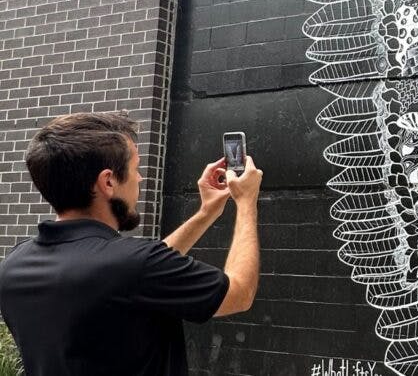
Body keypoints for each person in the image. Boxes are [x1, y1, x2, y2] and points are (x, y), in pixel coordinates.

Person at [0, 112, 262, 375]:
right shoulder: (133, 265)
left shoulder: (15, 266)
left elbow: (136, 274)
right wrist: (246, 202)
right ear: (108, 181)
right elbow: (239, 293)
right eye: (135, 168)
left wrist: (205, 215)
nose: (140, 179)